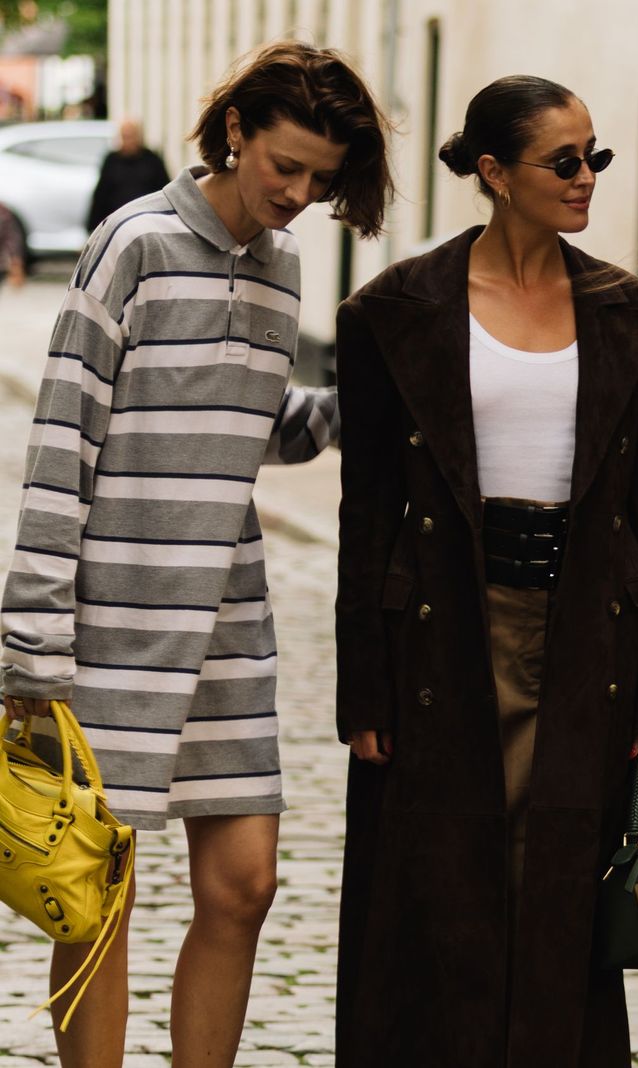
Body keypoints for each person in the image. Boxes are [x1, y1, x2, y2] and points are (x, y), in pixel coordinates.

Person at [0, 40, 390, 1068]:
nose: (301, 195)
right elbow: (60, 441)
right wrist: (31, 654)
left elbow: (248, 425)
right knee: (99, 899)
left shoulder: (284, 265)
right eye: (286, 169)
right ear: (235, 135)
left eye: (321, 179)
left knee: (244, 884)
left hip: (226, 620)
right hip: (111, 625)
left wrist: (368, 409)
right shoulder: (133, 242)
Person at [332, 76, 638, 1065]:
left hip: (581, 635)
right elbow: (367, 512)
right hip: (444, 631)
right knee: (436, 900)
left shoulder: (630, 316)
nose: (586, 179)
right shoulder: (394, 311)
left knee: (560, 899)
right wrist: (364, 680)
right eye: (562, 161)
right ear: (494, 172)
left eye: (595, 158)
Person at [88, 120, 171, 233]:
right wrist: (92, 228)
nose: (129, 141)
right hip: (117, 223)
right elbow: (101, 195)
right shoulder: (111, 160)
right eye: (125, 137)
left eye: (132, 136)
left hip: (147, 223)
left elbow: (164, 190)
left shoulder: (152, 160)